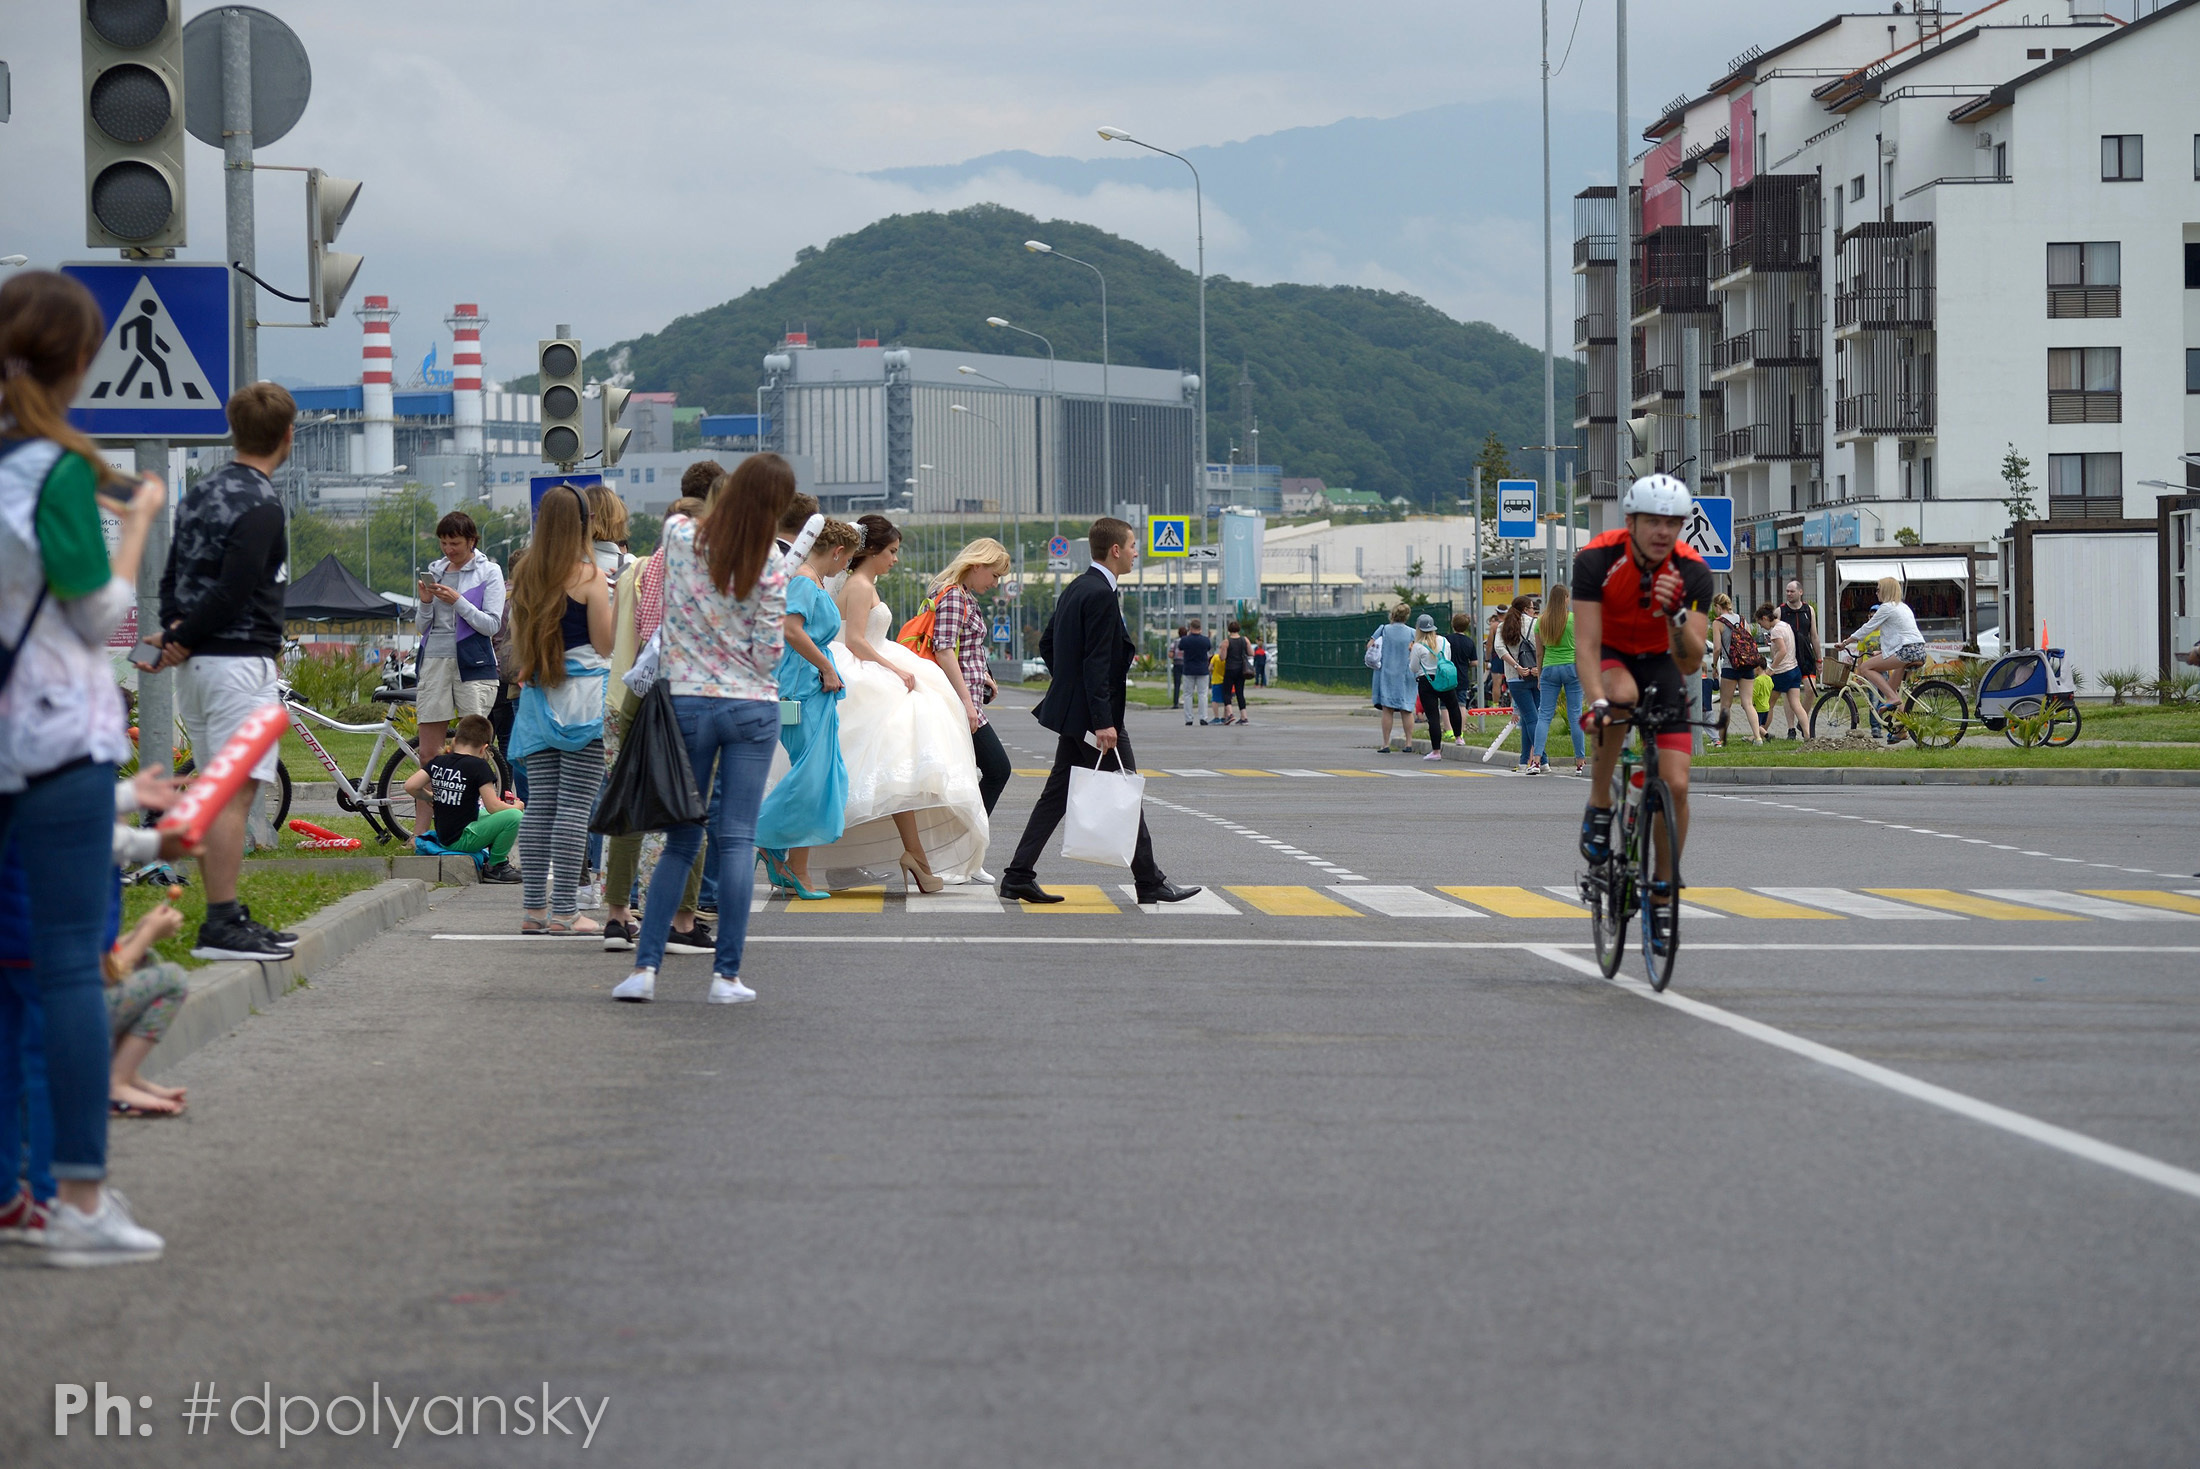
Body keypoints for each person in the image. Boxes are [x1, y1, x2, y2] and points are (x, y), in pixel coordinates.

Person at [0, 268, 175, 1264]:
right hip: (57, 733)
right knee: (68, 966)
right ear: (75, 363)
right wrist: (139, 520)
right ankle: (79, 1197)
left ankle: (6, 1192)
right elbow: (98, 611)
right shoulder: (58, 469)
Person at [612, 456, 808, 1004]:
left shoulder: (680, 535)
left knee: (681, 836)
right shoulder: (772, 562)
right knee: (738, 837)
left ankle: (645, 970)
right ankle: (726, 977)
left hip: (689, 703)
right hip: (750, 706)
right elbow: (768, 652)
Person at [151, 379, 298, 960]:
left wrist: (178, 635)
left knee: (219, 791)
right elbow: (237, 588)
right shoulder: (261, 505)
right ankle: (220, 922)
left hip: (201, 668)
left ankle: (227, 911)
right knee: (236, 795)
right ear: (287, 437)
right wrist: (186, 635)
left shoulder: (198, 496)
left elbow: (171, 578)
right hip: (239, 665)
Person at [997, 518, 1198, 907]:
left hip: (1079, 713)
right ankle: (1149, 881)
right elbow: (1097, 663)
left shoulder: (1078, 587)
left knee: (1055, 795)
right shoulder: (1102, 595)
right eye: (1134, 544)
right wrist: (1103, 720)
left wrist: (1068, 688)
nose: (1138, 551)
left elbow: (1048, 642)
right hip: (1097, 718)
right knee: (1127, 787)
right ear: (1116, 550)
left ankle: (1018, 875)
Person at [1573, 474, 1713, 959]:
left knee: (1675, 784)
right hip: (1610, 653)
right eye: (1652, 521)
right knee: (1623, 698)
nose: (1662, 531)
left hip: (1662, 659)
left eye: (1672, 522)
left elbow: (1690, 662)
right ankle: (1599, 804)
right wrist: (1596, 702)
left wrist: (1675, 614)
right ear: (1630, 522)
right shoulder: (1597, 558)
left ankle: (1661, 891)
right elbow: (1586, 647)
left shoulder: (1692, 572)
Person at [602, 493, 712, 953]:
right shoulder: (697, 571)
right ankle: (681, 920)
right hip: (681, 695)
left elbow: (618, 634)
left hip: (629, 693)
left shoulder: (636, 568)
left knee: (627, 803)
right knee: (689, 805)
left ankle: (615, 915)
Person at [507, 483, 615, 935]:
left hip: (537, 699)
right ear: (585, 523)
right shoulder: (589, 577)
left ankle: (534, 910)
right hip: (586, 700)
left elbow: (517, 646)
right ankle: (567, 912)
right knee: (575, 808)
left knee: (541, 807)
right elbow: (605, 644)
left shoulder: (525, 573)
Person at [756, 519, 856, 898]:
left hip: (812, 687)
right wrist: (827, 666)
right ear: (836, 551)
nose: (843, 569)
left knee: (819, 778)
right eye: (845, 561)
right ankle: (771, 845)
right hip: (802, 688)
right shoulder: (802, 580)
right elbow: (791, 628)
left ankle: (785, 860)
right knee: (812, 780)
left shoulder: (811, 580)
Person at [929, 537, 1014, 828]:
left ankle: (961, 844)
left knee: (971, 776)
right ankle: (963, 841)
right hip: (959, 704)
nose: (995, 583)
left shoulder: (964, 596)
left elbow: (962, 649)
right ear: (977, 565)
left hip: (968, 701)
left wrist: (983, 677)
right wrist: (967, 702)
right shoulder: (954, 595)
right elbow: (943, 648)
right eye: (994, 575)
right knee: (997, 769)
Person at [410, 510, 505, 768]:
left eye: (455, 543)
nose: (448, 550)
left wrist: (458, 602)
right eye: (443, 543)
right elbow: (421, 626)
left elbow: (492, 625)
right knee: (429, 754)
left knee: (472, 750)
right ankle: (429, 808)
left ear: (471, 541)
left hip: (472, 664)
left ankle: (473, 806)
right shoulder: (436, 570)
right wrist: (426, 602)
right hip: (433, 662)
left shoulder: (489, 571)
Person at [100, 894, 191, 1118]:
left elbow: (101, 956)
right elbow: (103, 975)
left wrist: (138, 932)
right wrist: (148, 933)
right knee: (172, 979)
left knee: (144, 958)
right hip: (59, 1017)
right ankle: (115, 1085)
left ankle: (127, 1075)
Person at [403, 713, 523, 881]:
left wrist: (431, 797)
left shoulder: (439, 761)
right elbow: (493, 806)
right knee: (514, 817)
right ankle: (496, 865)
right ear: (483, 748)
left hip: (445, 835)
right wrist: (516, 807)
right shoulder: (479, 766)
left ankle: (493, 856)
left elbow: (411, 786)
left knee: (490, 815)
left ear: (455, 740)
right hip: (462, 839)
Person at [1834, 576, 1929, 716]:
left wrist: (1845, 643)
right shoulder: (1903, 607)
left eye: (1878, 590)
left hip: (1906, 651)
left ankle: (1892, 698)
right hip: (1919, 651)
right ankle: (1901, 729)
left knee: (1865, 667)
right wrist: (1882, 652)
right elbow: (1900, 634)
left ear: (1885, 590)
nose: (1876, 593)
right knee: (1890, 688)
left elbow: (1867, 628)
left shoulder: (1886, 607)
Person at [1532, 585, 1585, 774]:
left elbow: (1539, 653)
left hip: (1549, 668)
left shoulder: (1541, 621)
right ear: (1565, 599)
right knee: (1575, 716)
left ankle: (1536, 761)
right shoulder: (1574, 619)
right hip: (1572, 668)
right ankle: (1579, 763)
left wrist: (1539, 676)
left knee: (1544, 715)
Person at [1710, 592, 1765, 746]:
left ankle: (1721, 740)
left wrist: (1715, 666)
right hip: (1747, 665)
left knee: (1725, 705)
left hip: (1730, 666)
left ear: (1718, 606)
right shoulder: (1742, 619)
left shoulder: (1718, 622)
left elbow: (1716, 648)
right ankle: (1758, 737)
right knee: (1748, 703)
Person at [1495, 596, 1541, 773]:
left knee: (1530, 719)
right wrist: (1539, 667)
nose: (1533, 611)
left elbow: (1500, 649)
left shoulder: (1503, 626)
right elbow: (1545, 646)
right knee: (1533, 718)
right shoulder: (1536, 624)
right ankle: (1540, 760)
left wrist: (1517, 666)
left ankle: (1525, 761)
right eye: (1531, 608)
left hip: (1516, 677)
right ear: (1525, 609)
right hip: (1536, 676)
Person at [1369, 603, 1417, 752]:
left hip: (1387, 673)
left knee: (1387, 709)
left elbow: (1371, 646)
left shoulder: (1383, 629)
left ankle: (1385, 744)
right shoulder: (1412, 633)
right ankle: (1408, 743)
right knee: (1407, 709)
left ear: (1392, 615)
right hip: (1407, 674)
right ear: (1406, 616)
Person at [1408, 614, 1454, 763]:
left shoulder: (1417, 646)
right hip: (1444, 678)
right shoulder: (1444, 641)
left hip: (1426, 681)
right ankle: (1458, 736)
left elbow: (1414, 668)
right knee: (1452, 707)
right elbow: (1448, 658)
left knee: (1433, 717)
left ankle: (1436, 751)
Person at [1757, 603, 1806, 738]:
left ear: (1765, 618)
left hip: (1782, 671)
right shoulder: (1786, 625)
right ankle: (1808, 735)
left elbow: (1782, 651)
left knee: (1768, 704)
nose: (1762, 627)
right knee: (1796, 705)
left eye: (1761, 623)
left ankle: (1761, 733)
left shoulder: (1776, 631)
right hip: (1794, 669)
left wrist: (1771, 668)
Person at [1777, 580, 1821, 696]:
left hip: (1806, 654)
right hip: (1789, 656)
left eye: (1792, 591)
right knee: (1790, 692)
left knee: (1811, 689)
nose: (1789, 594)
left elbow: (1814, 636)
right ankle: (1791, 715)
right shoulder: (1780, 611)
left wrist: (1819, 659)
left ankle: (1804, 714)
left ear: (1800, 592)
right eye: (1787, 591)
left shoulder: (1808, 610)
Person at [1179, 617, 1213, 726]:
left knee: (1188, 694)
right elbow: (1208, 648)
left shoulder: (1185, 640)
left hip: (1188, 669)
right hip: (1202, 669)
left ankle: (1189, 719)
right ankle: (1203, 717)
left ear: (1190, 628)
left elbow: (1180, 647)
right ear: (1200, 628)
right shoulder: (1205, 640)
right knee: (1202, 694)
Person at [1218, 620, 1253, 725]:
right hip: (1241, 670)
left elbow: (1222, 658)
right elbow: (1251, 653)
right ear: (1239, 629)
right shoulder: (1245, 640)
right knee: (1240, 693)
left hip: (1230, 669)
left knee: (1227, 692)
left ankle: (1230, 714)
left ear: (1229, 630)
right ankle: (1244, 716)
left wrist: (1222, 651)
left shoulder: (1226, 642)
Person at [1167, 625, 1185, 709]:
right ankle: (1188, 700)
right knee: (1188, 684)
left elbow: (1170, 654)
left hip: (1177, 664)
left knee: (1177, 684)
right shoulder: (1188, 642)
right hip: (1186, 664)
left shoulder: (1175, 642)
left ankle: (1175, 703)